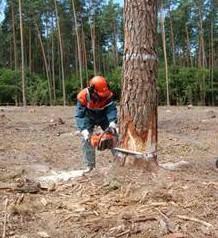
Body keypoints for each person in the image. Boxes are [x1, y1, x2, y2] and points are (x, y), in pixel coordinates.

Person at [75, 75, 118, 172]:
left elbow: (111, 109)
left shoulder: (108, 95)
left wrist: (112, 122)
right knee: (86, 140)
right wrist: (84, 130)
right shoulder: (83, 96)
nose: (102, 97)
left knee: (114, 135)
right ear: (92, 91)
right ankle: (90, 166)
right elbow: (80, 115)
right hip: (88, 117)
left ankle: (120, 161)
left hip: (104, 116)